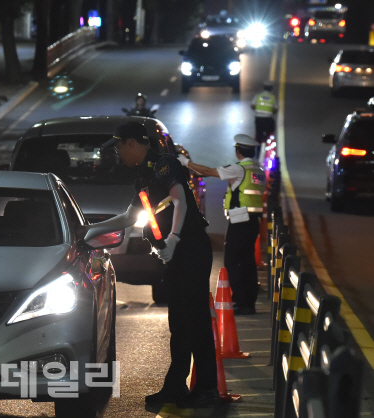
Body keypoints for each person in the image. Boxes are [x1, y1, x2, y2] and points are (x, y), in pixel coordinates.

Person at [97, 121, 219, 408]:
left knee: (195, 321)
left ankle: (205, 389)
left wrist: (174, 238)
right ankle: (177, 386)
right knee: (180, 322)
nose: (117, 153)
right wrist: (88, 231)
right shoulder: (143, 176)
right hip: (176, 255)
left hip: (190, 250)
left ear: (131, 143)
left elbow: (180, 201)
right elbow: (129, 218)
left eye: (118, 147)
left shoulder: (164, 164)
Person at [177, 134, 265, 316]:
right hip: (254, 220)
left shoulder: (239, 169)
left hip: (240, 221)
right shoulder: (258, 171)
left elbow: (210, 171)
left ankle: (241, 302)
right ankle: (249, 302)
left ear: (238, 151)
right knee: (247, 262)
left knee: (233, 261)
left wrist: (186, 163)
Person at [250, 81, 278, 150]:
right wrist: (270, 112)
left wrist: (258, 111)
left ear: (263, 88)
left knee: (258, 134)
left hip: (258, 119)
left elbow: (252, 105)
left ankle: (258, 150)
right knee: (270, 132)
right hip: (268, 119)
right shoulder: (272, 98)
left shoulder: (258, 96)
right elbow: (276, 109)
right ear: (271, 89)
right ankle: (268, 145)